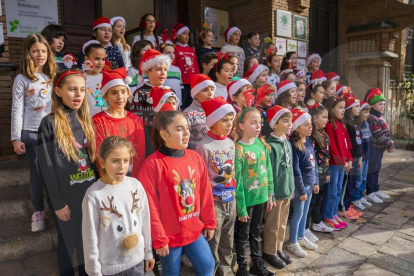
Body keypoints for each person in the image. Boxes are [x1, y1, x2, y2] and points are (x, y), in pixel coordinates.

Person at [138, 110, 217, 275]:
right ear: (165, 135)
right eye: (179, 128)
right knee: (171, 272)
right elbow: (149, 206)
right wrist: (159, 238)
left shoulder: (195, 157)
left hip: (194, 230)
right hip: (169, 237)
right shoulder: (152, 165)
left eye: (187, 128)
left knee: (208, 265)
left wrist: (209, 221)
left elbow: (205, 192)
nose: (186, 132)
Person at [37, 69, 97, 275]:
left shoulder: (87, 121)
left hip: (88, 198)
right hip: (66, 201)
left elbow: (94, 163)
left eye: (81, 89)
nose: (78, 94)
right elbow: (46, 167)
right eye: (71, 89)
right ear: (58, 91)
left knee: (86, 246)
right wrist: (57, 203)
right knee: (67, 247)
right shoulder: (49, 123)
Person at [82, 136, 155, 275]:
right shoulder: (93, 195)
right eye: (115, 161)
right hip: (110, 270)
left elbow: (144, 222)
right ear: (102, 162)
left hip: (137, 264)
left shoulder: (136, 185)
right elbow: (90, 238)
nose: (122, 167)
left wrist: (148, 252)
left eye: (126, 160)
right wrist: (94, 273)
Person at [11, 34, 56, 232]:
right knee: (37, 173)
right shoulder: (22, 78)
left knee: (56, 170)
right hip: (31, 132)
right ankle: (38, 211)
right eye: (35, 50)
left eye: (44, 51)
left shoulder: (53, 76)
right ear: (28, 53)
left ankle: (56, 205)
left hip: (54, 132)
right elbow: (17, 109)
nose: (40, 54)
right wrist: (16, 137)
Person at [196, 97, 237, 275]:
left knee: (228, 238)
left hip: (231, 199)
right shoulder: (203, 146)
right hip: (213, 202)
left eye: (231, 120)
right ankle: (212, 270)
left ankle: (227, 270)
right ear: (213, 121)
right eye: (224, 120)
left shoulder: (230, 143)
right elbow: (201, 179)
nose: (229, 124)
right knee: (213, 239)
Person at [233, 107, 275, 276]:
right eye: (253, 122)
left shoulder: (261, 144)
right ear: (242, 126)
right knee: (243, 234)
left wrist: (270, 194)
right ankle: (242, 267)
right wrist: (241, 208)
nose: (258, 126)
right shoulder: (238, 149)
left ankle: (256, 263)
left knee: (256, 232)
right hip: (247, 200)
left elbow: (268, 170)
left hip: (261, 197)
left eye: (260, 122)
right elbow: (237, 182)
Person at [92, 67, 146, 179]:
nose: (119, 97)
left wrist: (134, 179)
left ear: (128, 93)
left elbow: (140, 153)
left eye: (123, 92)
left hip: (131, 177)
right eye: (113, 93)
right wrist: (107, 179)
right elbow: (99, 154)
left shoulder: (135, 120)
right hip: (108, 177)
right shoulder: (98, 120)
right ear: (105, 96)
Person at [262, 105, 294, 269]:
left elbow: (290, 169)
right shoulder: (271, 145)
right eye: (286, 121)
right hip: (276, 193)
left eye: (291, 121)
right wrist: (271, 194)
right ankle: (269, 251)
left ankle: (278, 248)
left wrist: (292, 187)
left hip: (286, 190)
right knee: (272, 224)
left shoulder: (287, 143)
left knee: (282, 222)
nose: (290, 125)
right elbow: (270, 172)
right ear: (275, 124)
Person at [287, 109, 319, 258]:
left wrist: (316, 181)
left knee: (305, 213)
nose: (310, 127)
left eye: (311, 124)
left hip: (310, 184)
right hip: (301, 187)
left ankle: (301, 236)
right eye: (306, 124)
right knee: (298, 213)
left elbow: (315, 164)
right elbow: (296, 170)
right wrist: (302, 190)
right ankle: (292, 241)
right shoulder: (294, 145)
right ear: (297, 127)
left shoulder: (310, 141)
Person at [129, 49, 171, 156]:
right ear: (147, 72)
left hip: (168, 136)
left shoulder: (169, 92)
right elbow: (136, 120)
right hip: (148, 138)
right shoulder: (140, 93)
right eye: (158, 69)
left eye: (165, 69)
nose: (163, 73)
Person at [322, 96, 351, 230]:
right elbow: (332, 146)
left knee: (338, 190)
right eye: (340, 107)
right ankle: (328, 215)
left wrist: (349, 159)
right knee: (332, 191)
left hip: (341, 164)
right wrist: (342, 161)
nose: (343, 110)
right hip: (334, 164)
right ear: (332, 109)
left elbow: (347, 145)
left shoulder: (341, 124)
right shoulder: (329, 125)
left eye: (344, 107)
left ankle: (333, 214)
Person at [306, 104, 334, 238]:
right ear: (315, 118)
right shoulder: (311, 136)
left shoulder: (323, 132)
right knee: (311, 202)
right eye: (324, 117)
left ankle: (317, 222)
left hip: (324, 173)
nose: (327, 120)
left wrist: (327, 172)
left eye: (327, 117)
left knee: (319, 199)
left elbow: (326, 154)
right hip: (314, 174)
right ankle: (305, 228)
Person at [364, 88, 394, 203]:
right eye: (380, 104)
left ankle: (376, 189)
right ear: (372, 105)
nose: (382, 106)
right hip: (375, 148)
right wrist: (390, 144)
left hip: (380, 148)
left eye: (383, 104)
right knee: (372, 170)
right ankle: (370, 192)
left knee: (377, 169)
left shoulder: (379, 115)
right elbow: (379, 135)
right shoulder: (372, 118)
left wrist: (388, 143)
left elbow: (385, 131)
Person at [339, 93, 363, 219]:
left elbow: (358, 143)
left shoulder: (354, 122)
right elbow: (348, 144)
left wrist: (360, 158)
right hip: (350, 158)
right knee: (347, 183)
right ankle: (344, 206)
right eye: (357, 106)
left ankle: (348, 205)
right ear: (350, 109)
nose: (359, 109)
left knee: (353, 182)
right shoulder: (347, 125)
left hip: (355, 158)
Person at [352, 101, 375, 209]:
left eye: (368, 112)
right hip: (360, 157)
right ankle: (355, 198)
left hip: (366, 157)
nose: (368, 114)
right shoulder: (357, 125)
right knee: (359, 178)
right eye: (365, 112)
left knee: (364, 178)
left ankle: (360, 196)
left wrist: (370, 155)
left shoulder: (366, 124)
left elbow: (369, 141)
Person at [183, 74, 215, 150]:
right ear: (195, 94)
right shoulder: (188, 114)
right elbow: (184, 139)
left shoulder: (215, 111)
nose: (210, 93)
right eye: (205, 90)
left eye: (212, 89)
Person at [173, 23, 200, 109]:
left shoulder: (191, 49)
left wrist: (198, 80)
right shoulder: (175, 48)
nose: (187, 36)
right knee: (182, 105)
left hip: (192, 83)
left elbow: (195, 65)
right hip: (182, 83)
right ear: (177, 36)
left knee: (191, 104)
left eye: (188, 34)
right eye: (184, 33)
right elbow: (173, 65)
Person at [81, 42, 107, 117]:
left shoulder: (107, 77)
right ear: (86, 59)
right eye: (96, 58)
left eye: (103, 59)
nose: (100, 63)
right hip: (88, 121)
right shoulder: (80, 78)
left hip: (106, 122)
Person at [160, 31, 184, 107]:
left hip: (177, 104)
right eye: (168, 52)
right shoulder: (159, 69)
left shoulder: (177, 70)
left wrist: (180, 103)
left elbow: (180, 89)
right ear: (161, 54)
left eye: (173, 53)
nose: (171, 55)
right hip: (165, 103)